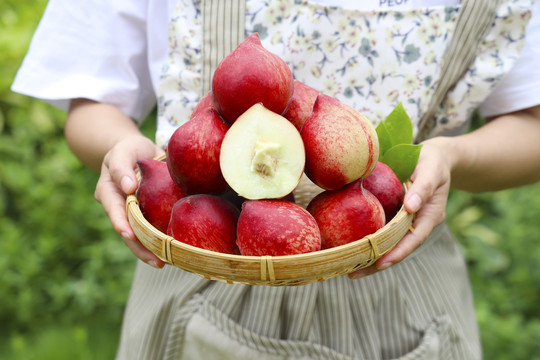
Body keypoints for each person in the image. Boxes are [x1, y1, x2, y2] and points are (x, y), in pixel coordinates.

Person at [12, 0, 540, 359]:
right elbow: (92, 101)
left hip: (395, 279)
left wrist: (450, 156)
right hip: (197, 266)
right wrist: (119, 149)